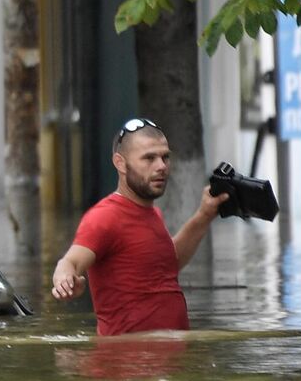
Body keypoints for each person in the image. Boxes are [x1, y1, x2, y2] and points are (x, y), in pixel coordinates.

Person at [50, 117, 227, 335]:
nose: (161, 166)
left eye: (165, 157)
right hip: (126, 363)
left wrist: (205, 215)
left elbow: (168, 264)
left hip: (168, 361)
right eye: (149, 158)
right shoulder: (104, 217)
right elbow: (70, 262)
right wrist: (65, 281)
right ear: (120, 163)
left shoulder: (153, 214)